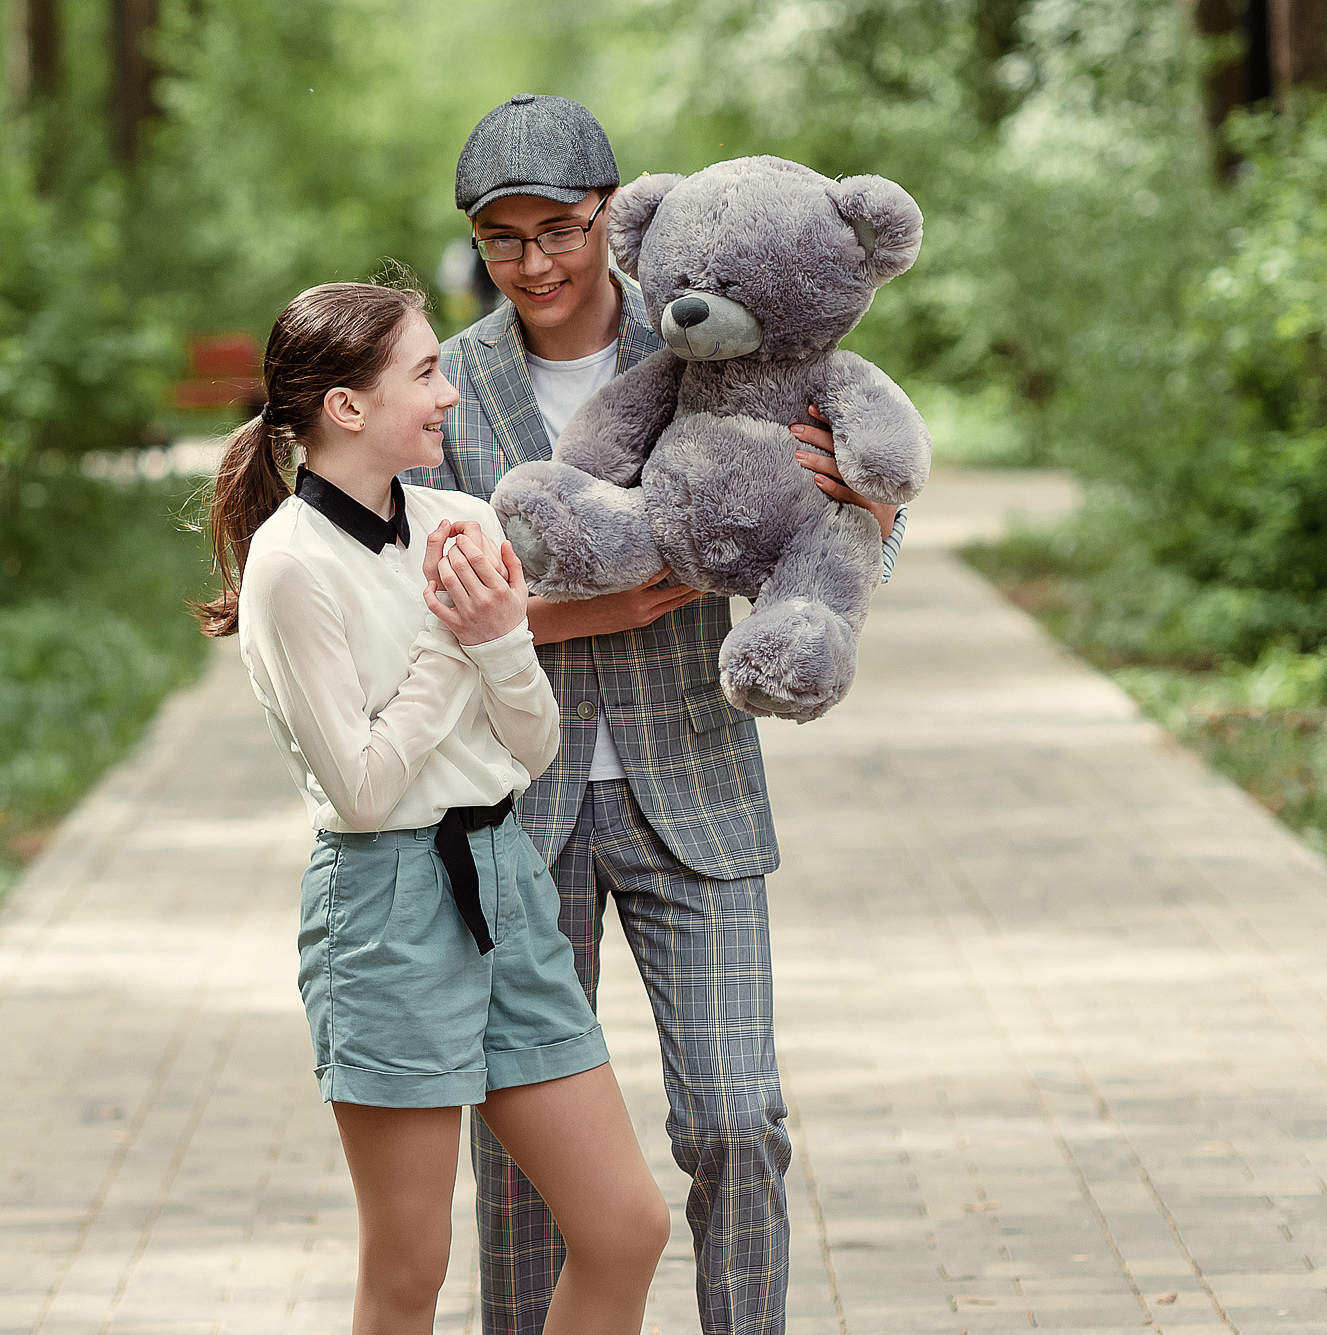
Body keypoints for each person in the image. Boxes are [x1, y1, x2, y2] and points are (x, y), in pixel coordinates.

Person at [401, 95, 910, 1335]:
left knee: (736, 1118)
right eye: (501, 239)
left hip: (699, 787)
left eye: (558, 229)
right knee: (526, 1149)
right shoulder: (446, 387)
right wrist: (612, 608)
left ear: (611, 219)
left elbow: (840, 533)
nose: (532, 263)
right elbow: (421, 617)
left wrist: (872, 513)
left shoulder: (717, 324)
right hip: (512, 816)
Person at [196, 281, 671, 1333]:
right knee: (410, 1269)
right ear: (346, 408)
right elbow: (362, 793)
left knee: (625, 1226)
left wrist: (499, 638)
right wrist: (456, 640)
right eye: (424, 372)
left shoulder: (459, 521)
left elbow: (532, 743)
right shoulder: (288, 567)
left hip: (504, 881)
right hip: (387, 907)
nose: (449, 395)